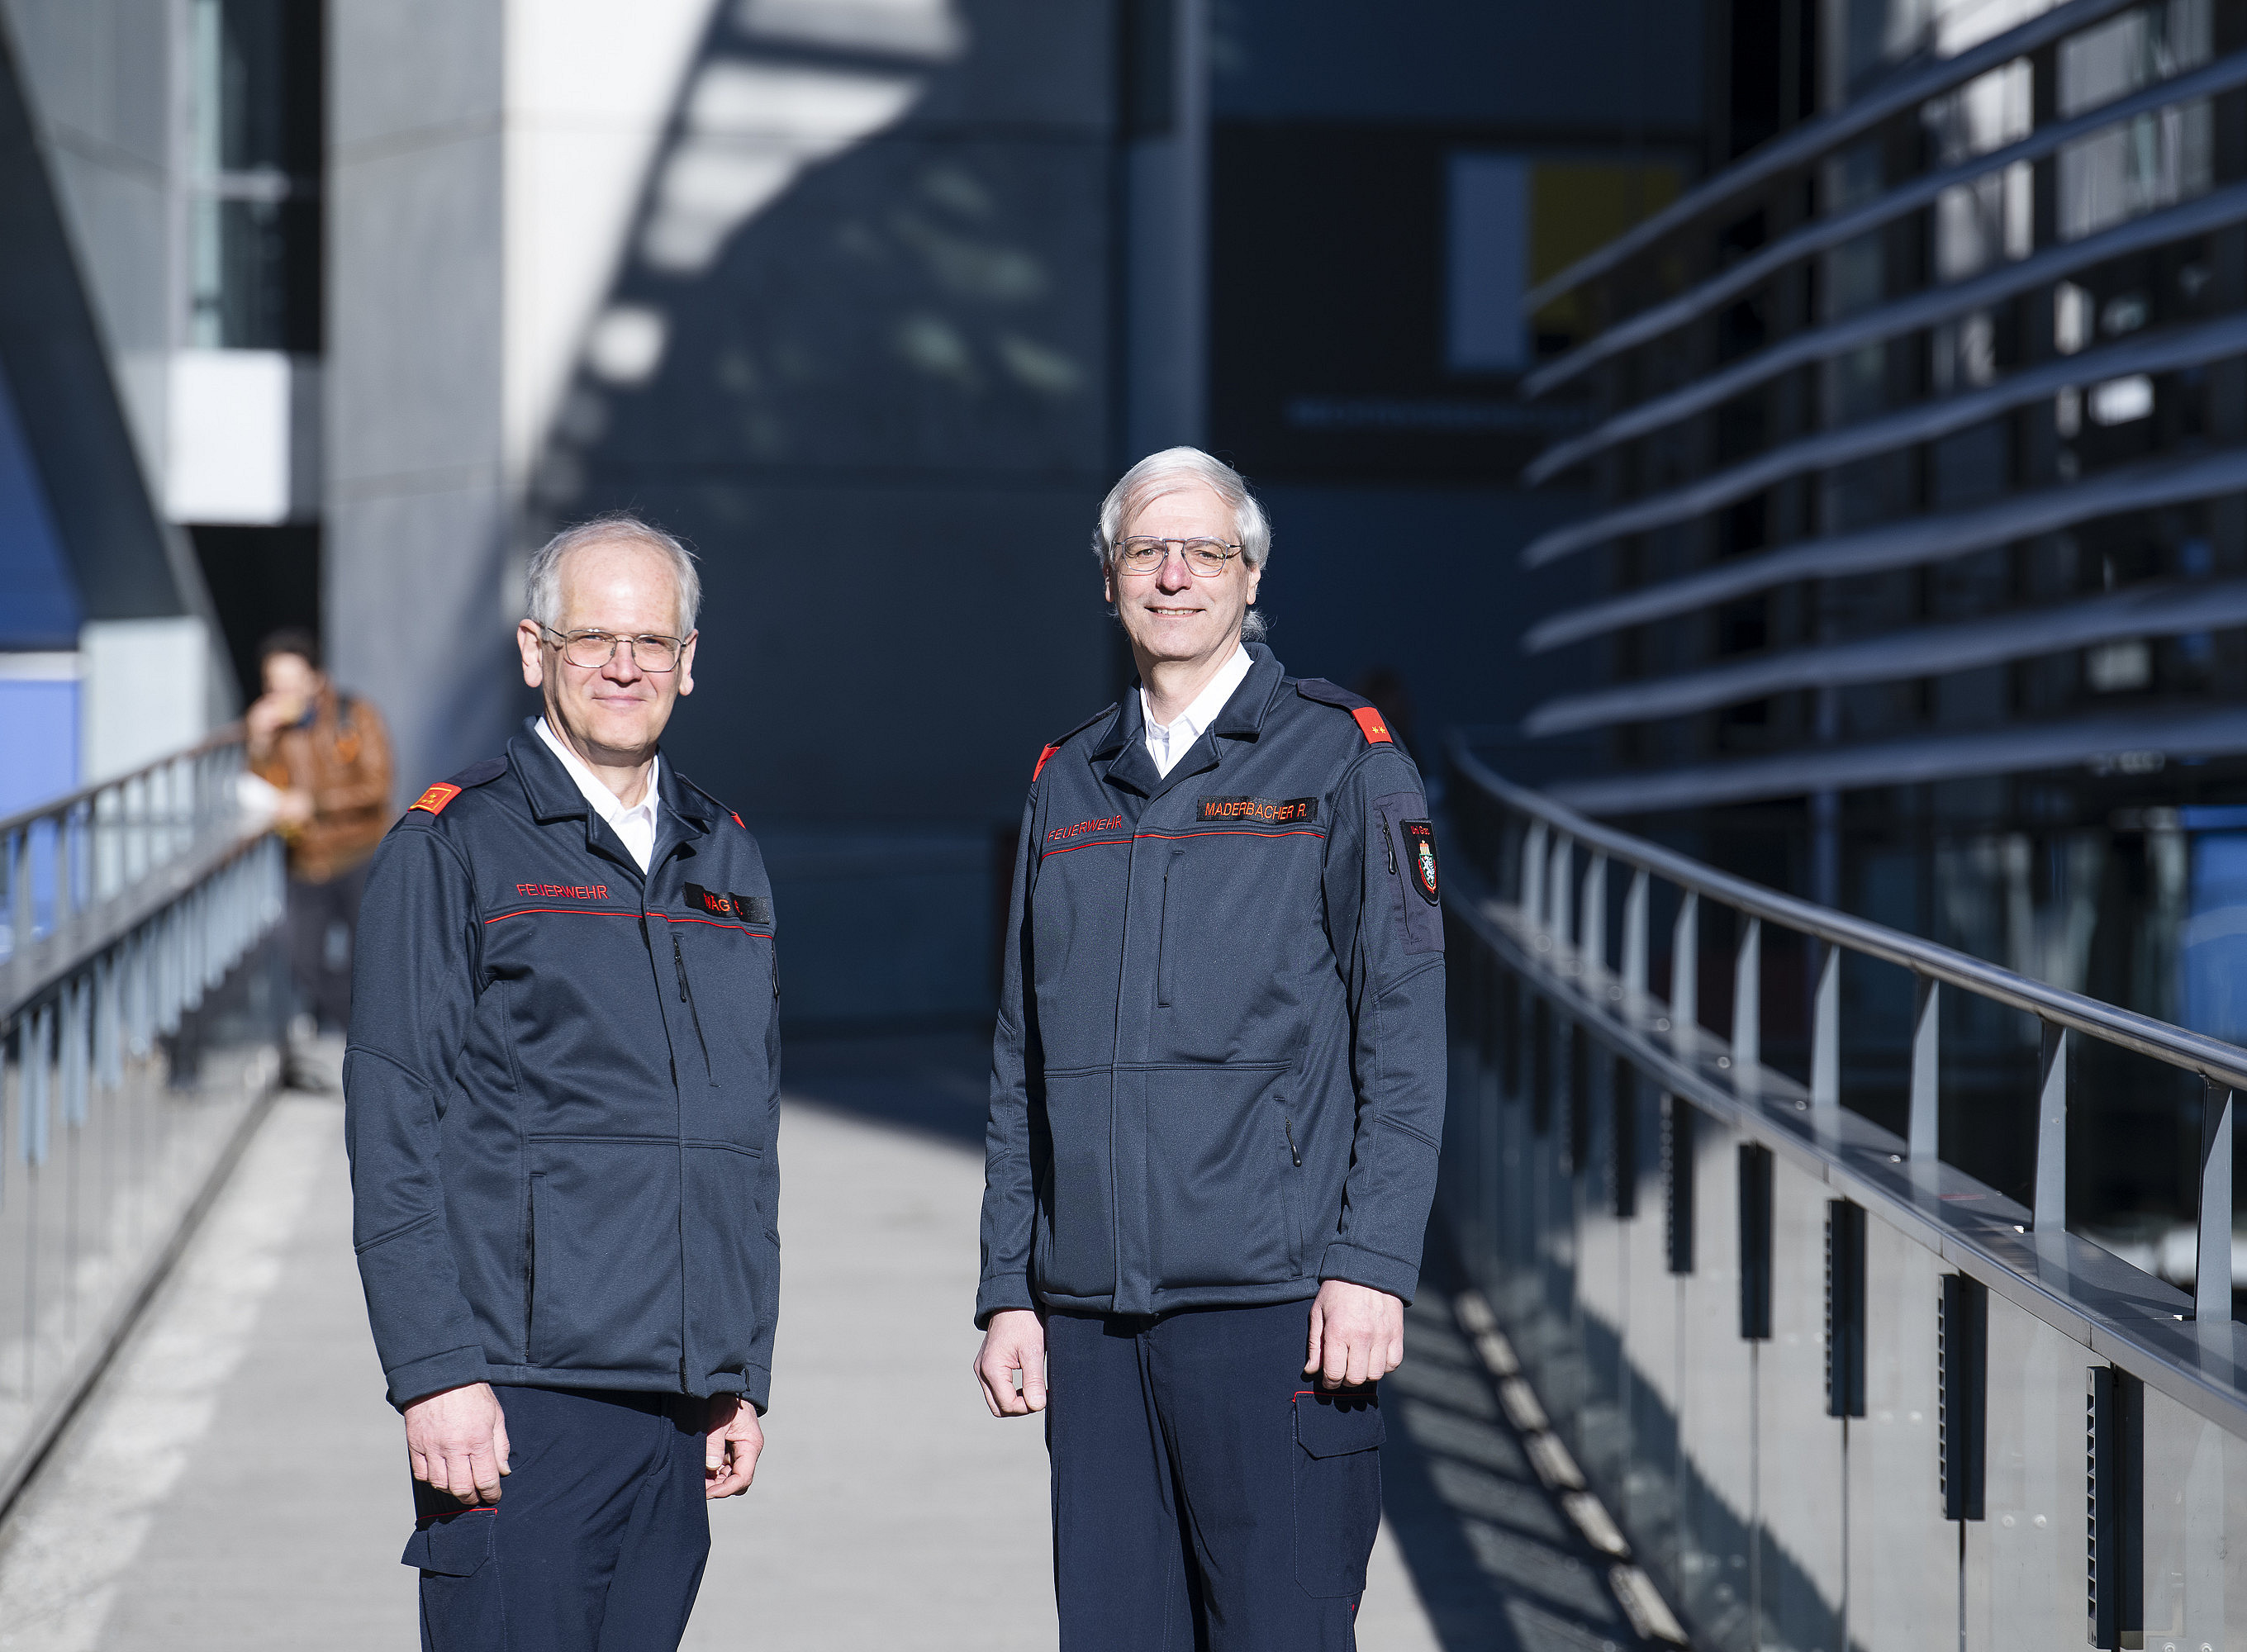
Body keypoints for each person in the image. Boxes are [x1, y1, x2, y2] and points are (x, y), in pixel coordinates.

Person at [973, 448, 1447, 1648]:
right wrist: (1007, 1291)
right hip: (1093, 1323)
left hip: (1276, 1309)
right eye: (1146, 550)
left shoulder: (1346, 759)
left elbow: (1405, 1032)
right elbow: (1022, 1055)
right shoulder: (1066, 780)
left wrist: (1374, 1262)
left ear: (1250, 577)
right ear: (1109, 580)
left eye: (1206, 553)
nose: (1174, 575)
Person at [345, 515, 780, 1652]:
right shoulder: (455, 845)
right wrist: (434, 1373)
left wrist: (736, 1368)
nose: (624, 665)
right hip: (515, 1399)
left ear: (690, 659)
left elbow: (739, 1134)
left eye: (651, 639)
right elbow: (394, 1116)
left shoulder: (723, 851)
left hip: (675, 1403)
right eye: (594, 638)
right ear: (537, 652)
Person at [245, 628, 392, 1086]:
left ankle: (382, 1057)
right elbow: (262, 792)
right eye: (275, 686)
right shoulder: (275, 728)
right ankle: (368, 1045)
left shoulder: (354, 714)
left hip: (360, 853)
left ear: (315, 679)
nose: (285, 695)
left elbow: (378, 784)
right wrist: (257, 742)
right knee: (302, 959)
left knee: (373, 960)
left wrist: (316, 803)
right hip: (306, 861)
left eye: (293, 683)